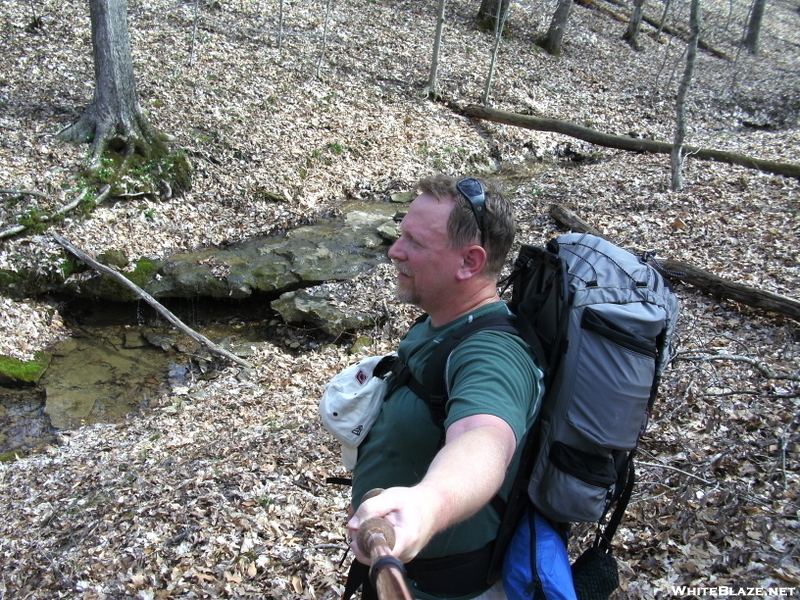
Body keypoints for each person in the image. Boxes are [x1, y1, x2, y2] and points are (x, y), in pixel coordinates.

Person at [344, 174, 544, 600]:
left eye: (414, 243)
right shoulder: (440, 324)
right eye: (400, 236)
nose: (394, 252)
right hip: (396, 572)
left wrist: (428, 505)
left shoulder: (494, 353)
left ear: (469, 262)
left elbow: (484, 438)